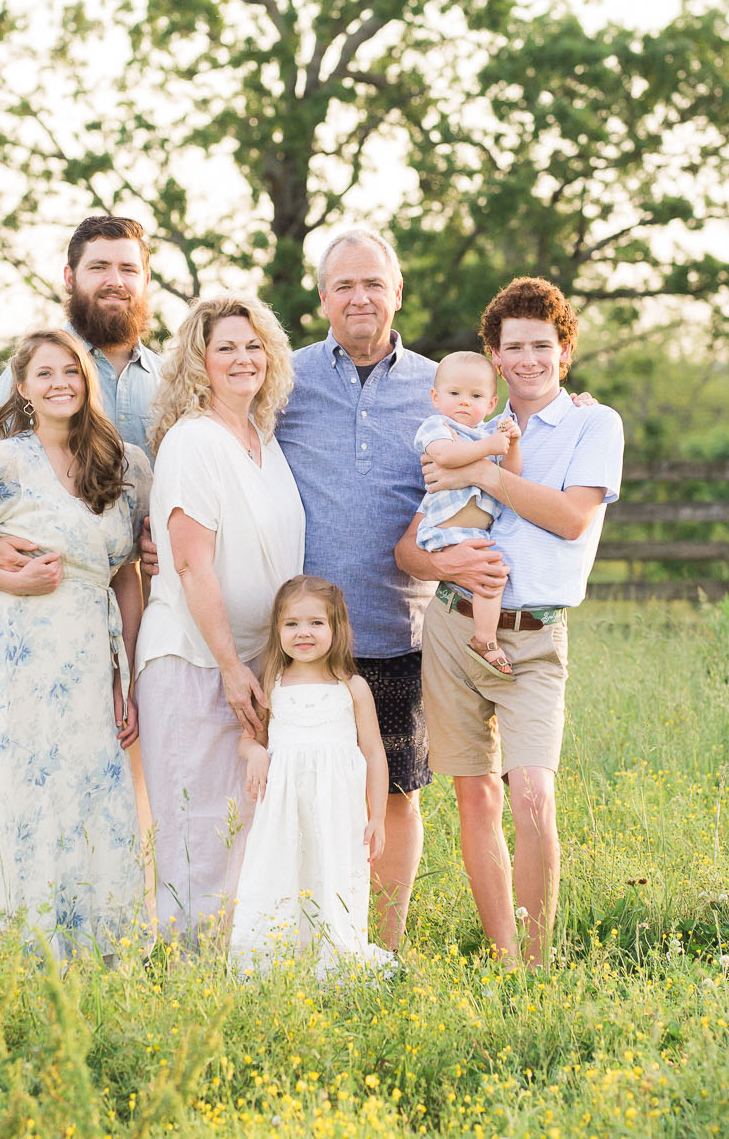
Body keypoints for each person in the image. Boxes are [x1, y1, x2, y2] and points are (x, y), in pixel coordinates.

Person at [275, 227, 510, 952]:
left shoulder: (444, 387)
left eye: (373, 282)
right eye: (343, 284)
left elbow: (514, 430)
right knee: (298, 793)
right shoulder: (285, 378)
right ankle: (303, 940)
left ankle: (383, 944)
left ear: (397, 292)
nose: (359, 297)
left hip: (401, 629)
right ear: (321, 298)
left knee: (398, 793)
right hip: (305, 639)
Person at [408, 277, 623, 967]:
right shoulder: (463, 424)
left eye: (542, 345)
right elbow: (409, 547)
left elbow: (569, 518)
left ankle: (537, 962)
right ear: (494, 357)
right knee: (475, 796)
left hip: (534, 637)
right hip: (453, 627)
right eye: (513, 347)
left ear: (564, 351)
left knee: (530, 795)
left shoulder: (595, 424)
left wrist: (488, 471)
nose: (527, 358)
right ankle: (504, 957)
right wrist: (452, 566)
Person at [0, 329, 150, 956]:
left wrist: (127, 669)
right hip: (18, 642)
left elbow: (124, 572)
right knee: (29, 783)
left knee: (95, 783)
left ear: (87, 381)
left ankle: (98, 943)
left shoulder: (124, 464)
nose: (59, 384)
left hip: (91, 643)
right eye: (44, 374)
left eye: (70, 372)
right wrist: (9, 580)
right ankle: (20, 939)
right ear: (23, 389)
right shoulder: (4, 462)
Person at [132, 294, 304, 945]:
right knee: (196, 830)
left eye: (253, 344)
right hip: (197, 663)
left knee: (241, 833)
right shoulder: (194, 439)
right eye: (225, 346)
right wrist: (233, 667)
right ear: (199, 360)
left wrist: (264, 666)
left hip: (256, 666)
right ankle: (185, 980)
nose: (242, 358)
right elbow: (193, 563)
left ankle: (231, 976)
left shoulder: (263, 439)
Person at [228, 576, 393, 975]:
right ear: (277, 630)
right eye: (292, 624)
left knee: (332, 873)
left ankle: (336, 956)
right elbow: (249, 740)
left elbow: (373, 751)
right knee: (283, 872)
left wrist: (378, 816)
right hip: (284, 811)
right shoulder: (273, 683)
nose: (304, 632)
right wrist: (255, 755)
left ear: (336, 629)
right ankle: (279, 958)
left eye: (316, 623)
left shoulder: (352, 687)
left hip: (338, 811)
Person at [0, 215, 160, 449]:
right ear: (70, 278)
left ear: (145, 280)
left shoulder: (168, 380)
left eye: (128, 270)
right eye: (99, 267)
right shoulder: (28, 378)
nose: (115, 281)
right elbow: (1, 477)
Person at [412, 352, 524, 679]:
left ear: (491, 404)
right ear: (436, 398)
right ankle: (485, 640)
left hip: (475, 534)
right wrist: (491, 446)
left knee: (493, 575)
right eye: (454, 394)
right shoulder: (437, 426)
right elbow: (446, 456)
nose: (464, 402)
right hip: (444, 529)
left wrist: (511, 445)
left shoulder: (489, 433)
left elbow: (512, 477)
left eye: (475, 396)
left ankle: (481, 638)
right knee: (492, 574)